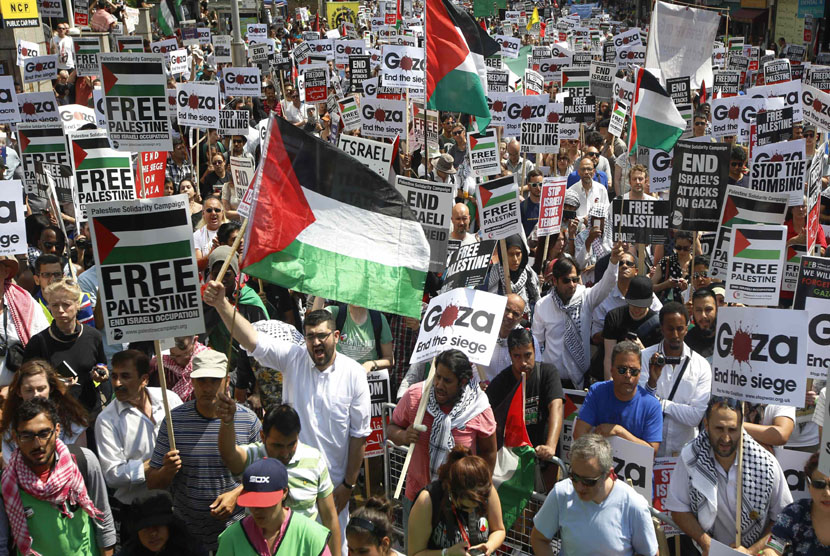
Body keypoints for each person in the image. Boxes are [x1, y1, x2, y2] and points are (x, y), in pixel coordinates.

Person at [201, 281, 371, 556]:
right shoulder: (293, 358)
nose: (316, 342)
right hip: (282, 487)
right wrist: (222, 304)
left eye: (323, 336)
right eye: (310, 336)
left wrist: (348, 486)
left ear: (337, 336)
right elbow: (251, 340)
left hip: (333, 492)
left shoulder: (354, 374)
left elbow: (359, 436)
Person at [146, 349, 262, 552]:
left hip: (238, 532)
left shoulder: (248, 420)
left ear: (227, 381)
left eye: (213, 380)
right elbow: (153, 482)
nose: (207, 387)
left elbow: (264, 474)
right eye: (201, 380)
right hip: (187, 536)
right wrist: (167, 470)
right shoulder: (174, 421)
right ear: (192, 382)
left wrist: (237, 494)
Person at [667, 397, 793, 554]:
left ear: (741, 427)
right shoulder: (690, 456)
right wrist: (707, 544)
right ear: (706, 425)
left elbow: (783, 519)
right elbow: (679, 509)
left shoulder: (766, 464)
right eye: (719, 429)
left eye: (732, 430)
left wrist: (749, 552)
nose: (726, 438)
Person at [217, 403, 342, 556]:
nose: (285, 453)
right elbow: (229, 454)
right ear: (263, 437)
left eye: (291, 444)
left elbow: (329, 516)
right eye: (277, 445)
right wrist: (227, 422)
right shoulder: (253, 455)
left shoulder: (314, 460)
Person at [388, 350, 496, 524]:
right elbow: (391, 428)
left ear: (462, 382)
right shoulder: (416, 396)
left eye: (447, 381)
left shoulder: (479, 407)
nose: (438, 385)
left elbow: (489, 453)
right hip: (417, 498)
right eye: (437, 377)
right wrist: (404, 435)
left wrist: (479, 492)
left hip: (461, 503)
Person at [1, 398, 116, 555]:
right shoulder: (8, 484)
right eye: (27, 436)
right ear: (15, 437)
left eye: (43, 433)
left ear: (57, 431)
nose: (37, 444)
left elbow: (104, 523)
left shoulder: (83, 462)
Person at [530, 434, 659, 556]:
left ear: (608, 474)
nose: (579, 487)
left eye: (588, 481)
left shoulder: (634, 505)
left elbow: (650, 553)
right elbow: (539, 539)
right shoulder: (562, 493)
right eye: (574, 477)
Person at [95, 349, 183, 506]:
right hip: (139, 508)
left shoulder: (169, 399)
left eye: (125, 376)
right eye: (114, 376)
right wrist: (155, 463)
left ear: (144, 379)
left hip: (180, 500)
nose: (117, 383)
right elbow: (112, 476)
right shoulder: (107, 420)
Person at [533, 243, 625, 389]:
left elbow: (606, 285)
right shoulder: (542, 306)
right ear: (555, 281)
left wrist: (613, 262)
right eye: (566, 280)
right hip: (552, 380)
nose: (572, 284)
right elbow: (536, 344)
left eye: (575, 280)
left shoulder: (586, 297)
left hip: (581, 379)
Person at [22, 278, 110, 424]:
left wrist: (101, 373)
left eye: (66, 305)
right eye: (55, 305)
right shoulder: (38, 342)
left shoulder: (92, 336)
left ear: (77, 305)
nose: (60, 310)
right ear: (49, 306)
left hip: (89, 413)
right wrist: (55, 384)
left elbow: (102, 364)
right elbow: (26, 383)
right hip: (54, 416)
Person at [217, 457, 332, 555]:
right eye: (252, 502)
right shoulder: (230, 538)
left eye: (264, 502)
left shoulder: (312, 536)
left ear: (284, 492)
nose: (257, 510)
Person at [639, 302, 712, 457]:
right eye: (670, 329)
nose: (675, 335)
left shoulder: (701, 365)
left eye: (679, 329)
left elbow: (695, 417)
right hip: (649, 451)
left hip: (685, 455)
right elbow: (640, 405)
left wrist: (660, 403)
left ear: (687, 327)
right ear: (662, 328)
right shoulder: (645, 358)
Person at [407, 446, 506, 556]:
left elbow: (499, 530)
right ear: (451, 491)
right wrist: (447, 553)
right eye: (465, 507)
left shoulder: (486, 490)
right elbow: (415, 553)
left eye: (477, 505)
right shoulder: (427, 501)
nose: (471, 511)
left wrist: (490, 545)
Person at [486, 329, 564, 460]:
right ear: (510, 355)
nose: (523, 362)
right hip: (512, 459)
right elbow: (486, 416)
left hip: (543, 455)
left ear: (535, 351)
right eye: (517, 356)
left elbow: (556, 407)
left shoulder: (548, 373)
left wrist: (550, 446)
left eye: (528, 355)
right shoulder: (500, 382)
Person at [573, 341, 663, 453]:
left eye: (634, 371)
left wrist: (619, 431)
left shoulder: (652, 405)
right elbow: (578, 434)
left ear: (640, 373)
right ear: (611, 370)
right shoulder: (597, 392)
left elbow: (652, 452)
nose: (628, 375)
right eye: (622, 370)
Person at [0, 358, 89, 463]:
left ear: (50, 388)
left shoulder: (73, 420)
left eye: (41, 389)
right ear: (19, 392)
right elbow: (8, 464)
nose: (36, 395)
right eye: (29, 390)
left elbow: (80, 459)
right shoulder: (10, 425)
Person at [202, 246, 269, 369]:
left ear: (235, 273)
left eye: (227, 274)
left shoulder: (250, 299)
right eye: (216, 274)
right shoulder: (207, 301)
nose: (221, 279)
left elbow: (264, 338)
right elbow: (199, 336)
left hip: (250, 366)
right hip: (218, 367)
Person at [760, 452, 830, 555]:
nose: (827, 493)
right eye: (819, 484)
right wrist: (770, 552)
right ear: (808, 483)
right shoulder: (794, 513)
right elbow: (774, 546)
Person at [602, 276, 663, 379]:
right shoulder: (614, 317)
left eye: (641, 305)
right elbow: (609, 357)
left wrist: (642, 350)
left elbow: (657, 364)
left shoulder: (658, 325)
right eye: (634, 304)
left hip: (643, 377)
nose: (637, 309)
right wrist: (610, 383)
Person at [0, 255, 48, 386]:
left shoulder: (25, 303)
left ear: (6, 272)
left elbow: (43, 348)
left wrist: (12, 390)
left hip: (19, 394)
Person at [591, 251, 662, 339]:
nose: (624, 266)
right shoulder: (604, 294)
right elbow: (595, 335)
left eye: (629, 264)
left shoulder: (644, 290)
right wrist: (614, 331)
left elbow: (660, 317)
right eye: (620, 263)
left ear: (636, 271)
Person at [119, 490, 207, 556]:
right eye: (145, 528)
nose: (153, 533)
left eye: (157, 525)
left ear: (169, 526)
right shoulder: (130, 551)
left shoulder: (191, 548)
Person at [33, 253, 94, 326]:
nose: (52, 279)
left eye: (57, 274)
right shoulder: (31, 304)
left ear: (63, 276)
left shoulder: (80, 299)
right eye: (46, 275)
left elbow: (88, 334)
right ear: (37, 280)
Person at [485, 234, 541, 311]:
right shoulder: (491, 275)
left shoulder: (530, 275)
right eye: (511, 254)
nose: (515, 259)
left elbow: (537, 303)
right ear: (502, 254)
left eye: (518, 254)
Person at [652, 230, 694, 303]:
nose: (682, 251)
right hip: (669, 306)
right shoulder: (666, 262)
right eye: (678, 247)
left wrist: (687, 290)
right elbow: (650, 287)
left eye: (685, 248)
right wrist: (666, 285)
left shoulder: (695, 264)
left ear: (691, 247)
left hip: (689, 306)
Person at [568, 157, 609, 221]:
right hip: (577, 228)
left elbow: (606, 212)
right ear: (578, 172)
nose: (586, 172)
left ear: (594, 172)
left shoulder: (601, 190)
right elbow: (569, 216)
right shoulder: (571, 191)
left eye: (589, 169)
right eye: (583, 169)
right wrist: (583, 220)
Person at [193, 196, 228, 269]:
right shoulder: (197, 235)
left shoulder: (230, 231)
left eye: (217, 210)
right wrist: (213, 251)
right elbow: (198, 266)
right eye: (209, 210)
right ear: (203, 213)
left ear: (222, 213)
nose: (213, 213)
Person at [684, 287, 718, 362]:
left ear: (717, 309)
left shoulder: (728, 338)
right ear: (693, 311)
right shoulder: (686, 342)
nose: (703, 315)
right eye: (698, 310)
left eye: (708, 310)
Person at [520, 169, 544, 236]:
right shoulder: (522, 207)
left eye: (540, 184)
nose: (538, 188)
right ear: (528, 186)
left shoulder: (549, 205)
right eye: (534, 185)